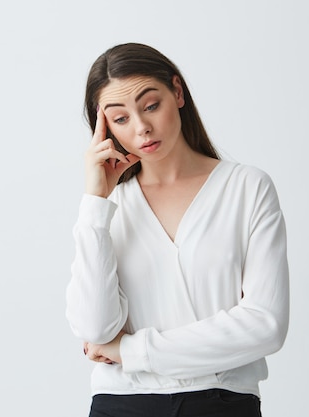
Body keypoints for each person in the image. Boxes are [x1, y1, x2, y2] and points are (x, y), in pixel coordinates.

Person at [65, 43, 289, 417]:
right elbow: (94, 328)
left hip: (220, 402)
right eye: (120, 119)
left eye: (151, 106)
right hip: (118, 405)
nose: (142, 128)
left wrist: (131, 352)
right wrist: (94, 203)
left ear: (178, 92)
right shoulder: (109, 207)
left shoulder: (247, 188)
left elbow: (265, 325)